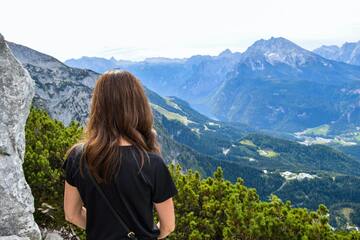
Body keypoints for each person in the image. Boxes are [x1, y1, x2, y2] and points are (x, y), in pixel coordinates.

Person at [62, 70, 178, 240]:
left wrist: (102, 231)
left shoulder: (77, 156)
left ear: (98, 106)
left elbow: (71, 214)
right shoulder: (151, 162)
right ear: (138, 106)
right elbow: (168, 225)